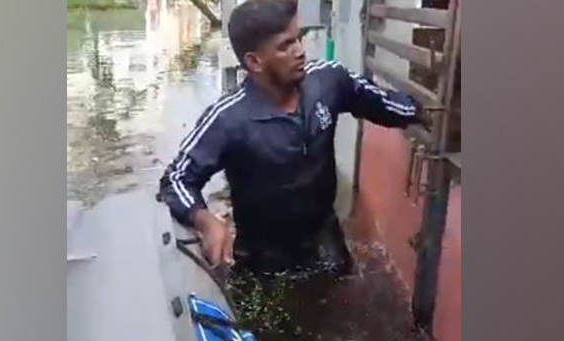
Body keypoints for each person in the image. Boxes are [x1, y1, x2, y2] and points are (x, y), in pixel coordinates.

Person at [160, 0, 422, 275]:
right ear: (254, 61)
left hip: (326, 242)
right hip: (262, 261)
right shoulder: (227, 119)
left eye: (298, 38)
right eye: (285, 46)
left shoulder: (328, 81)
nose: (300, 51)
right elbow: (175, 179)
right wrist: (205, 221)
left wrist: (422, 111)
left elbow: (379, 102)